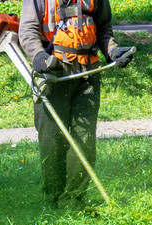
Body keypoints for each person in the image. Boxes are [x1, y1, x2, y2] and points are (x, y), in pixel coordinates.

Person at [18, 0, 134, 208]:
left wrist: (113, 52)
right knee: (52, 140)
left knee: (85, 138)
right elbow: (27, 31)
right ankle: (53, 199)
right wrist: (39, 56)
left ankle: (73, 199)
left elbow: (104, 29)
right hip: (53, 74)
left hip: (87, 75)